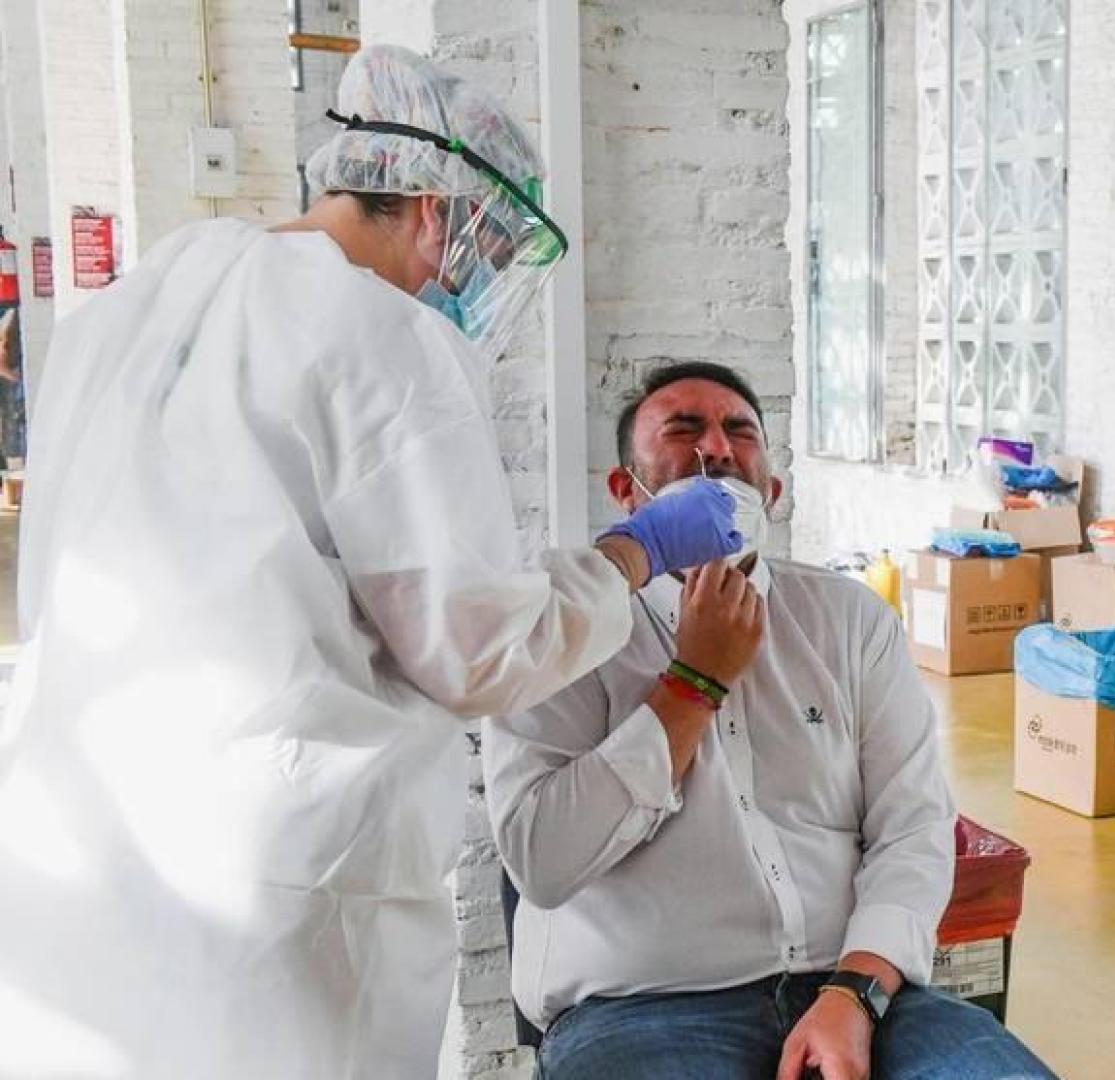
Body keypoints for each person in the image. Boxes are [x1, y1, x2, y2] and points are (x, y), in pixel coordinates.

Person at [0, 46, 741, 1079]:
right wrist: (634, 551)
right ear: (434, 210)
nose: (460, 288)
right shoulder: (380, 329)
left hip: (75, 855)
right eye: (473, 255)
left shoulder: (132, 307)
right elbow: (478, 649)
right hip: (267, 889)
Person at [484, 362, 1057, 1080]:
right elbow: (542, 859)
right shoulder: (564, 631)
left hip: (859, 991)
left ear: (773, 493)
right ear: (626, 491)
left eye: (739, 432)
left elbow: (912, 828)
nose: (716, 449)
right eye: (684, 429)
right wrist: (694, 683)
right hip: (643, 1009)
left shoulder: (848, 623)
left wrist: (857, 989)